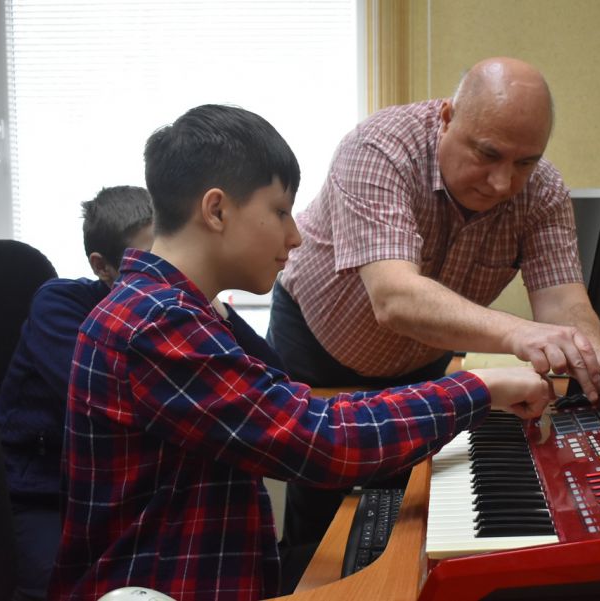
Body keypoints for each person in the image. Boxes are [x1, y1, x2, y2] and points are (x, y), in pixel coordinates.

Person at [47, 104, 553, 600]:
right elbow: (321, 438)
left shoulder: (180, 311)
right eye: (280, 211)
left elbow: (296, 407)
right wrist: (478, 389)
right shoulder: (157, 324)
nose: (295, 237)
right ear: (216, 210)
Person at [267, 56, 600, 560]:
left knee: (404, 512)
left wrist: (592, 356)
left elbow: (563, 297)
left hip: (421, 357)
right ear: (447, 118)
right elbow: (395, 298)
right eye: (488, 154)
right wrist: (519, 333)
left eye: (524, 162)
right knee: (319, 511)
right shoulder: (378, 150)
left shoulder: (543, 191)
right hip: (319, 344)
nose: (502, 183)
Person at [0, 186, 283, 600]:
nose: (165, 270)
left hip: (133, 491)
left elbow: (275, 377)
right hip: (41, 492)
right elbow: (134, 394)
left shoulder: (182, 309)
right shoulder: (61, 306)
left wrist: (211, 302)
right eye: (148, 258)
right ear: (102, 266)